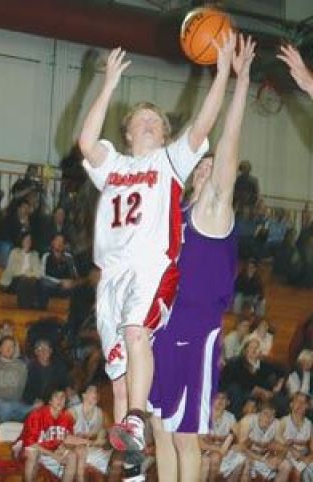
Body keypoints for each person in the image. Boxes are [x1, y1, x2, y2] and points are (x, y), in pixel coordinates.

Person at [79, 33, 235, 462]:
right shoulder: (113, 165)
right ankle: (131, 457)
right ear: (127, 132)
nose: (147, 122)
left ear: (165, 132)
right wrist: (108, 83)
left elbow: (203, 125)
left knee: (136, 332)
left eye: (155, 119)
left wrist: (220, 74)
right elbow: (87, 143)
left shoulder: (168, 160)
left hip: (151, 266)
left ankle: (133, 418)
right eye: (140, 119)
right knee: (119, 377)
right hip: (110, 275)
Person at [148, 34, 256, 482]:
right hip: (164, 323)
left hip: (197, 331)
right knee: (158, 424)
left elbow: (227, 143)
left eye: (218, 165)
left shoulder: (214, 212)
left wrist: (239, 80)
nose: (212, 166)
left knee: (186, 435)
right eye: (206, 163)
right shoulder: (178, 212)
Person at [16, 386, 77, 482]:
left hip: (51, 449)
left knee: (72, 456)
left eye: (63, 397)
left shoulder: (67, 418)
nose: (60, 400)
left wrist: (64, 447)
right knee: (33, 454)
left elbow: (69, 439)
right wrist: (54, 455)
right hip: (27, 447)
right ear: (50, 400)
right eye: (56, 396)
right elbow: (30, 443)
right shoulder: (36, 415)